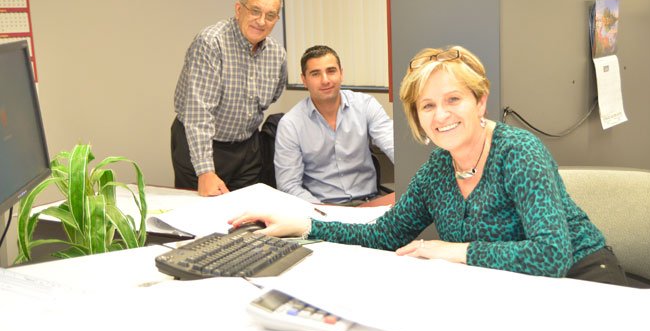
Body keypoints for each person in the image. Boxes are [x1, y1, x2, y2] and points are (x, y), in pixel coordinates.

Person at [230, 46, 627, 285]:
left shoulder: (518, 152)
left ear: (481, 101)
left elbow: (551, 255)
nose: (442, 116)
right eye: (428, 106)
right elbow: (385, 235)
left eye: (454, 100)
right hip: (510, 289)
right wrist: (305, 226)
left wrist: (455, 251)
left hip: (584, 278)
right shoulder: (437, 171)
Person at [172, 0, 287, 197]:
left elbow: (274, 94)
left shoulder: (277, 54)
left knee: (246, 219)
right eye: (255, 11)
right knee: (200, 220)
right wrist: (205, 170)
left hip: (247, 149)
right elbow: (199, 114)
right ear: (238, 9)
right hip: (201, 145)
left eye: (270, 16)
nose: (262, 21)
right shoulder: (211, 43)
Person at [274, 45, 394, 204]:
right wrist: (325, 214)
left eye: (331, 71)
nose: (325, 80)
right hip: (321, 209)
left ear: (341, 73)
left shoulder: (365, 105)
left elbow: (395, 147)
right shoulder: (291, 124)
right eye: (315, 74)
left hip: (368, 203)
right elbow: (288, 185)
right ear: (304, 80)